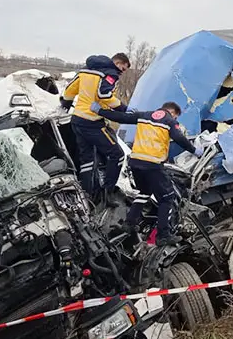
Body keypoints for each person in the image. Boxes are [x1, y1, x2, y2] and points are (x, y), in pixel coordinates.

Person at [96, 101, 201, 246]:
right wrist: (194, 150)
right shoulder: (169, 121)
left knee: (144, 192)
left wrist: (100, 111)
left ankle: (128, 224)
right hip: (153, 164)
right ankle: (163, 235)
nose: (175, 120)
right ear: (173, 112)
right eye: (176, 117)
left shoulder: (144, 115)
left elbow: (121, 118)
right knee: (167, 198)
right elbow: (179, 138)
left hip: (135, 162)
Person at [61, 53, 130, 205]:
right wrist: (122, 107)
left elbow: (70, 90)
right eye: (123, 69)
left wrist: (66, 102)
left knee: (87, 160)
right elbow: (103, 94)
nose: (121, 72)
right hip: (92, 122)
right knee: (117, 155)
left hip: (77, 120)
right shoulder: (110, 74)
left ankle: (87, 197)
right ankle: (108, 194)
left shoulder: (85, 70)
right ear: (117, 63)